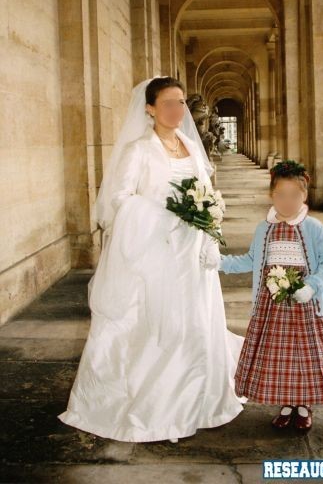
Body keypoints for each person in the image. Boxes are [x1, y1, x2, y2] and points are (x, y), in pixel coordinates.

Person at [58, 76, 246, 443]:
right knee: (156, 324)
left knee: (194, 320)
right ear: (150, 108)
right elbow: (120, 198)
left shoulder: (191, 145)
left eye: (180, 103)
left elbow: (206, 192)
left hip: (190, 252)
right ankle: (159, 406)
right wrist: (164, 215)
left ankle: (199, 397)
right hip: (152, 252)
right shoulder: (139, 150)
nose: (176, 110)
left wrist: (208, 229)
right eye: (168, 103)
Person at [217, 160, 323, 431]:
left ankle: (303, 405)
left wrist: (312, 285)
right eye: (281, 195)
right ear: (272, 195)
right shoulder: (264, 229)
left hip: (307, 306)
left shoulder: (313, 227)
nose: (288, 201)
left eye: (295, 195)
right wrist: (220, 262)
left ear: (304, 195)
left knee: (305, 357)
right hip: (273, 308)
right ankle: (286, 404)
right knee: (280, 359)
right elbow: (250, 260)